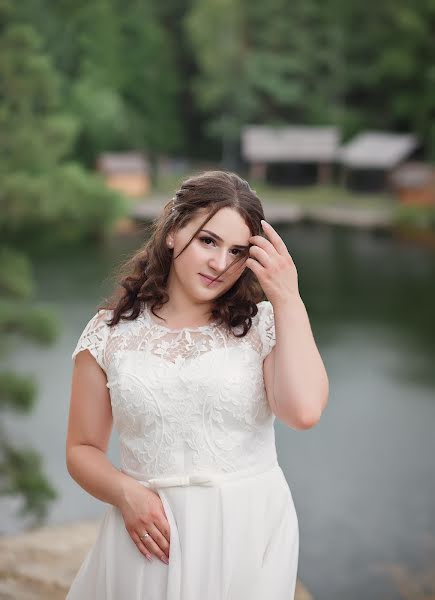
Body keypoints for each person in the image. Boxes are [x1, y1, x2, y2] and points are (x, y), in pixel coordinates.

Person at [65, 170, 329, 599]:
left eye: (237, 250)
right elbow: (81, 449)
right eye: (208, 241)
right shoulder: (108, 333)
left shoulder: (262, 325)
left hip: (247, 530)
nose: (221, 264)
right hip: (149, 536)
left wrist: (287, 298)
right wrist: (125, 493)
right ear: (172, 231)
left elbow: (304, 412)